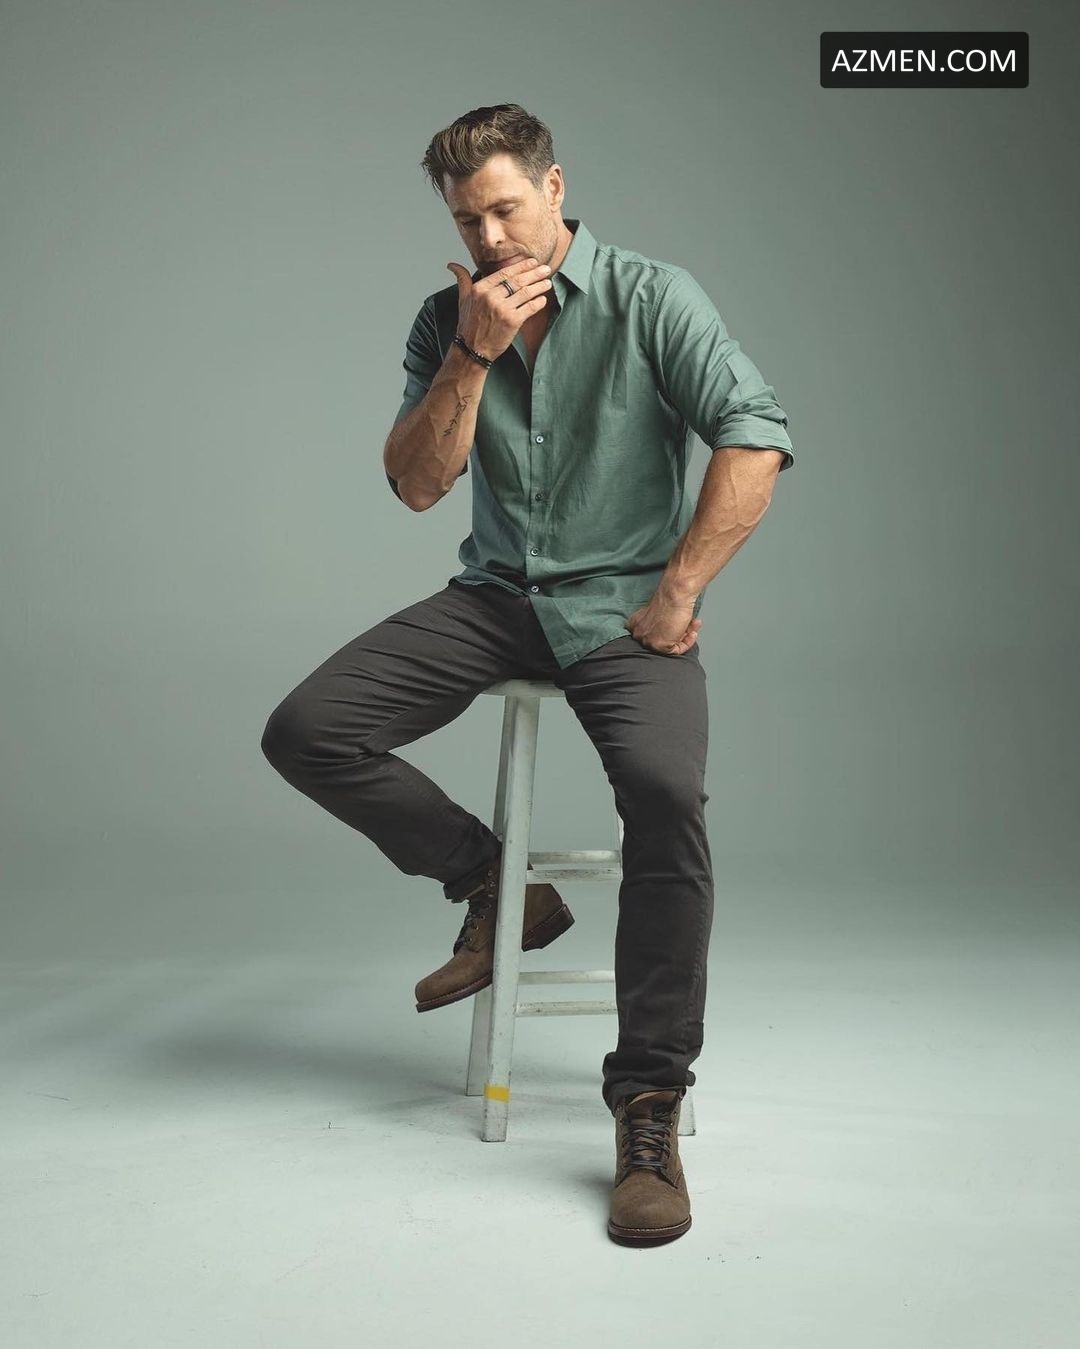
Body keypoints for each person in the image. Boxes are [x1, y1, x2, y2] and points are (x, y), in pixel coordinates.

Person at [261, 102, 795, 1247]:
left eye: (506, 208)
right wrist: (472, 353)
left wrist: (680, 590)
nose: (492, 237)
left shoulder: (655, 297)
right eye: (468, 219)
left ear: (556, 189)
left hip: (622, 615)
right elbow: (417, 485)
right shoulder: (444, 319)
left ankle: (648, 1104)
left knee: (666, 795)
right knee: (308, 728)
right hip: (495, 601)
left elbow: (755, 437)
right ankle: (496, 884)